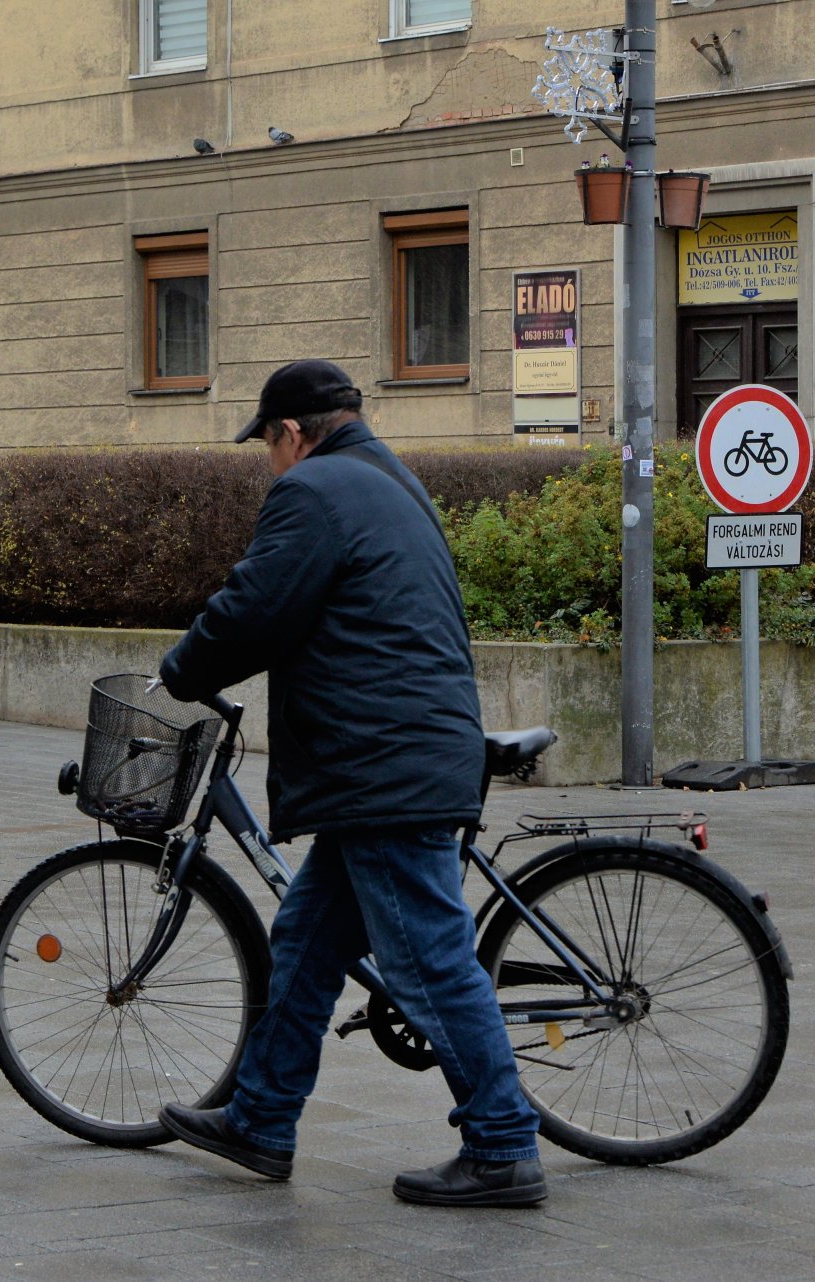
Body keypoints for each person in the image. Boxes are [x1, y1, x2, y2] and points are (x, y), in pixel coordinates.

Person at [155, 359, 545, 1207]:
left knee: (428, 960)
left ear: (291, 433)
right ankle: (260, 1119)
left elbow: (258, 606)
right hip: (396, 752)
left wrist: (182, 670)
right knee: (304, 941)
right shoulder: (388, 477)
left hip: (383, 764)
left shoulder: (315, 491)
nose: (268, 458)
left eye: (266, 441)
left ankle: (504, 1144)